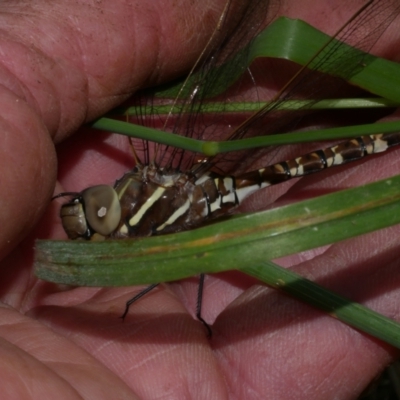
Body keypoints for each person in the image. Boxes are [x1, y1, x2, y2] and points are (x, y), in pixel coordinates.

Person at [1, 0, 400, 398]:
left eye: (93, 206)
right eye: (94, 209)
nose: (92, 208)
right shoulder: (137, 191)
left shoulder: (147, 208)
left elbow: (200, 257)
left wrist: (187, 313)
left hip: (210, 192)